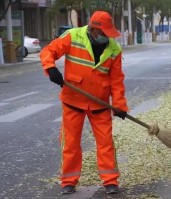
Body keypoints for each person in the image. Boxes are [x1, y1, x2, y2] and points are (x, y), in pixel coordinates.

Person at [39, 11, 128, 195]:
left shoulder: (114, 49)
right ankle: (68, 181)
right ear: (94, 30)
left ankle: (110, 181)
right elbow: (48, 51)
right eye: (104, 33)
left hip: (100, 104)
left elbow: (116, 80)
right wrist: (51, 68)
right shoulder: (73, 36)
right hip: (74, 101)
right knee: (70, 143)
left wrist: (119, 105)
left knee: (106, 143)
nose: (108, 37)